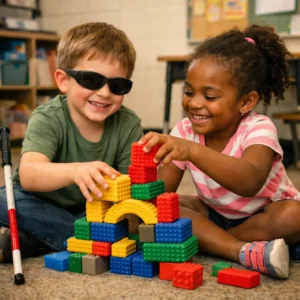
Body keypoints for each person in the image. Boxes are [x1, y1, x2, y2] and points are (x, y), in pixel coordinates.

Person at [139, 25, 300, 279]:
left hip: (263, 213)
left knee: (294, 216)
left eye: (210, 96)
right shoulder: (184, 131)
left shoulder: (259, 129)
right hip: (214, 213)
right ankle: (240, 250)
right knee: (161, 207)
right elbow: (162, 190)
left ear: (246, 102)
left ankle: (216, 243)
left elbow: (249, 181)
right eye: (189, 92)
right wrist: (138, 179)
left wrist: (191, 151)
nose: (194, 103)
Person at [0, 22, 143, 262]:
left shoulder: (129, 125)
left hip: (87, 210)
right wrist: (76, 171)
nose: (105, 93)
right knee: (5, 199)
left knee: (120, 218)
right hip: (36, 201)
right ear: (63, 80)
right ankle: (87, 239)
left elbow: (132, 193)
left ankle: (32, 241)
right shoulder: (48, 117)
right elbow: (29, 174)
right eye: (91, 79)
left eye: (117, 85)